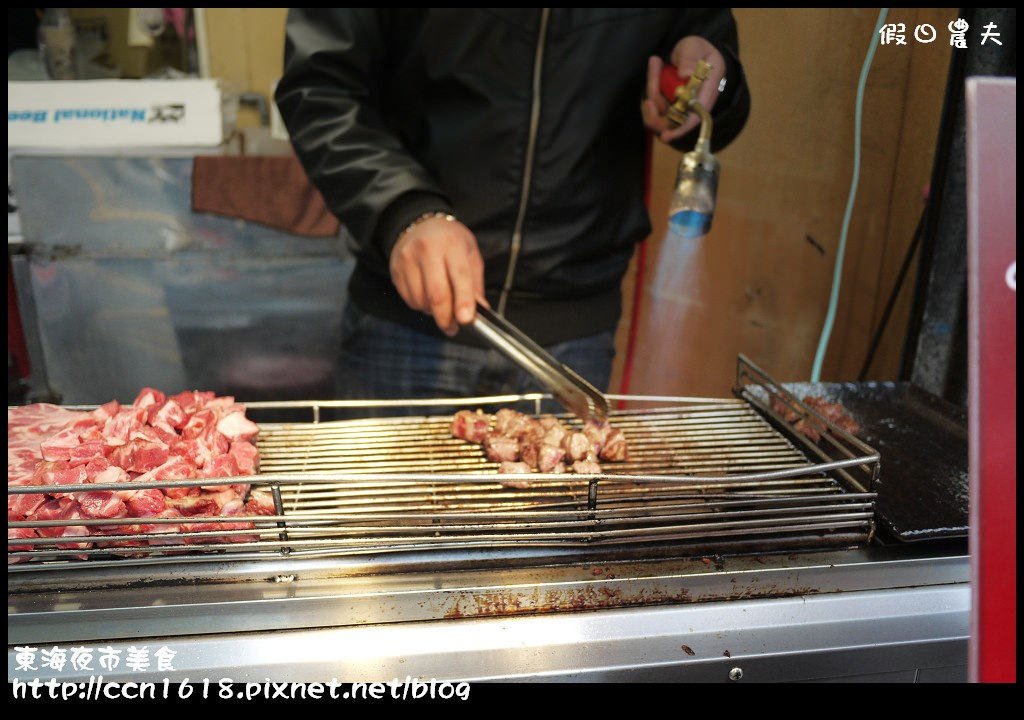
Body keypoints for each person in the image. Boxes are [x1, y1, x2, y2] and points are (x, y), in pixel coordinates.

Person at [274, 9, 750, 412]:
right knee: (382, 524)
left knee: (563, 521)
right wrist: (401, 207)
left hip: (572, 327)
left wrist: (715, 80)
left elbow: (714, 57)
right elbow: (320, 84)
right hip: (404, 322)